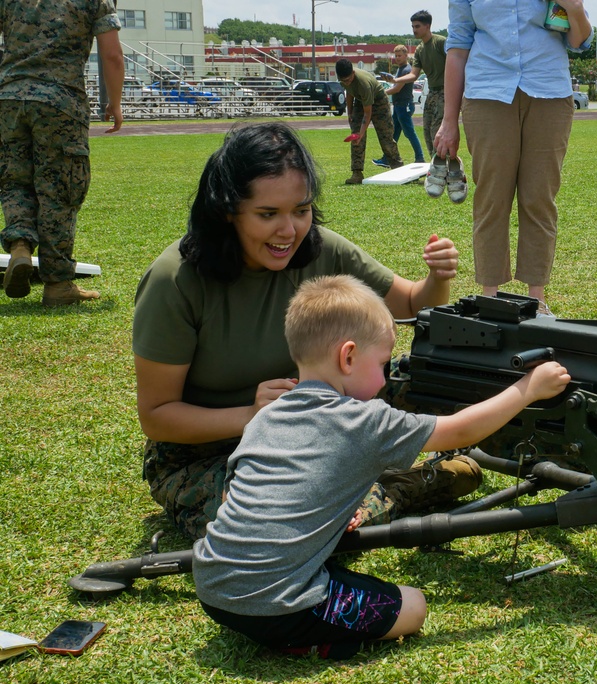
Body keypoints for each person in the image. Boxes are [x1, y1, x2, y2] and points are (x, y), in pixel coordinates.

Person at [193, 274, 572, 659]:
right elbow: (460, 430)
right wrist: (530, 388)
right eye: (382, 363)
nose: (385, 376)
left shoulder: (266, 416)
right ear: (348, 357)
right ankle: (308, 642)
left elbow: (236, 495)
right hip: (280, 605)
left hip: (211, 589)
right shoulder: (365, 420)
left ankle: (287, 622)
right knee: (413, 606)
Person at [133, 122, 480, 541]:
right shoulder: (175, 280)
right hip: (208, 454)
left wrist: (437, 278)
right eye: (267, 215)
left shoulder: (319, 247)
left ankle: (371, 476)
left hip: (318, 423)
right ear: (227, 212)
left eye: (301, 210)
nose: (289, 230)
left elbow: (410, 304)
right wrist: (251, 415)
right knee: (273, 526)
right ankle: (402, 485)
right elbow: (157, 416)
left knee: (448, 395)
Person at [435, 0, 593, 314]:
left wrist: (574, 7)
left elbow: (580, 42)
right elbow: (457, 49)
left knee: (539, 198)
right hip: (487, 94)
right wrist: (449, 120)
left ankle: (537, 301)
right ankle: (490, 299)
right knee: (492, 198)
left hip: (549, 92)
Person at [0, 0, 124, 306]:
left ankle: (19, 246)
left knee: (14, 180)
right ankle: (58, 283)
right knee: (60, 189)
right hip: (60, 100)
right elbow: (112, 54)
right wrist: (115, 102)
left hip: (9, 99)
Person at [336, 59, 403, 185]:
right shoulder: (344, 80)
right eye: (343, 81)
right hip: (360, 102)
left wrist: (362, 133)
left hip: (379, 102)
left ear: (353, 73)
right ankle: (357, 173)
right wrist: (349, 112)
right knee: (355, 136)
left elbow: (368, 113)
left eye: (349, 79)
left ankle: (398, 168)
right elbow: (349, 92)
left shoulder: (363, 83)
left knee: (386, 137)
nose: (346, 82)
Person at [391, 10, 447, 159]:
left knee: (437, 131)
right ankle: (437, 166)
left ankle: (447, 167)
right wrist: (395, 80)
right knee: (427, 131)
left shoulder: (441, 42)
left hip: (446, 91)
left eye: (417, 26)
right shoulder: (420, 49)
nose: (414, 30)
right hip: (432, 92)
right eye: (413, 26)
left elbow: (457, 65)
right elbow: (414, 75)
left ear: (427, 26)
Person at [380, 45, 425, 165]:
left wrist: (381, 93)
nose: (397, 58)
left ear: (406, 55)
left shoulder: (406, 70)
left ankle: (420, 158)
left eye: (400, 55)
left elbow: (397, 89)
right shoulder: (400, 69)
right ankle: (387, 158)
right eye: (396, 56)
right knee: (394, 133)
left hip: (404, 105)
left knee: (409, 133)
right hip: (399, 105)